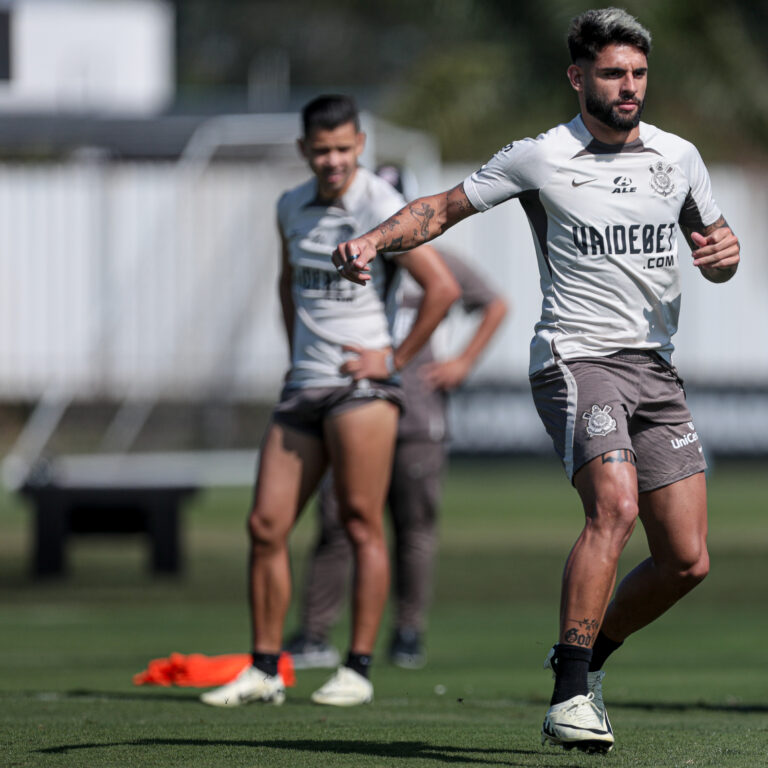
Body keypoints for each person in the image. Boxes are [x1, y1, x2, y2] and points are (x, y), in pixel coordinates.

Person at [331, 8, 740, 752]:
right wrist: (373, 239)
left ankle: (585, 661)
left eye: (639, 73)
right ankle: (569, 697)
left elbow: (718, 248)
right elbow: (440, 208)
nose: (629, 87)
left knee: (687, 560)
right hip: (575, 359)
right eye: (613, 73)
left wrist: (724, 257)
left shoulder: (679, 157)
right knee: (612, 507)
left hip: (654, 367)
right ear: (578, 76)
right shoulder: (541, 156)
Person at [199, 94, 459, 708]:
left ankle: (358, 667)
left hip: (361, 389)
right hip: (304, 387)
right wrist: (295, 352)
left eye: (344, 148)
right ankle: (265, 669)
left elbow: (442, 289)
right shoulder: (289, 206)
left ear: (360, 146)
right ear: (303, 151)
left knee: (360, 523)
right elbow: (289, 282)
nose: (333, 160)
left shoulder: (382, 205)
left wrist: (392, 359)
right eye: (322, 150)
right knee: (265, 525)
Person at [285, 164, 508, 671]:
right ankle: (315, 632)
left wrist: (462, 363)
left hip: (417, 413)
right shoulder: (350, 259)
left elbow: (493, 304)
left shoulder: (439, 261)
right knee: (338, 520)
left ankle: (408, 631)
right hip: (356, 405)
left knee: (413, 527)